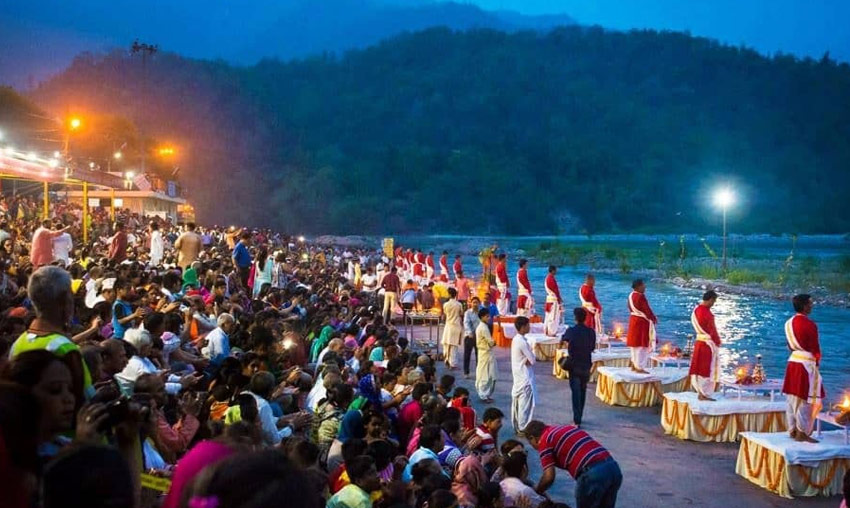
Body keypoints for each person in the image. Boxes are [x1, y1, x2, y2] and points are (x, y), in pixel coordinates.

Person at [524, 420, 622, 508]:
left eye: (531, 443)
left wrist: (536, 492)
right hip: (613, 468)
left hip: (592, 474)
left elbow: (549, 477)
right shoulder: (566, 428)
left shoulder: (545, 440)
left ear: (533, 438)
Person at [781, 293, 823, 443]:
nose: (812, 305)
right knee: (806, 399)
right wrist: (817, 362)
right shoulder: (810, 324)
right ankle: (802, 432)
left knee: (792, 397)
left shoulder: (788, 323)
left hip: (793, 362)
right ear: (805, 306)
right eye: (810, 303)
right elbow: (815, 348)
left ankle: (793, 429)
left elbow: (789, 346)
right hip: (806, 364)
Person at [560, 308, 595, 426]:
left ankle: (577, 419)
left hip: (574, 365)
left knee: (575, 392)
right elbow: (592, 347)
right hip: (586, 364)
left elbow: (563, 340)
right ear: (585, 318)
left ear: (575, 318)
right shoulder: (591, 332)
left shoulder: (571, 330)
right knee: (583, 390)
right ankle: (580, 415)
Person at [689, 290, 721, 401]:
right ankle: (705, 393)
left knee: (699, 368)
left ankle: (700, 392)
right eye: (714, 301)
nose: (713, 304)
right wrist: (717, 342)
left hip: (699, 342)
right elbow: (712, 330)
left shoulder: (696, 310)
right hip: (707, 344)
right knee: (706, 369)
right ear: (710, 299)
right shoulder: (707, 313)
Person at [510, 317, 536, 435]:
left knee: (520, 404)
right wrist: (530, 355)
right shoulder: (522, 342)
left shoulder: (516, 339)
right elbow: (532, 360)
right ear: (523, 327)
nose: (529, 327)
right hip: (524, 377)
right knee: (524, 405)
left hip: (518, 375)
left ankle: (519, 426)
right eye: (528, 325)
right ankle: (522, 427)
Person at [626, 279, 657, 374]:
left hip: (633, 320)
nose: (645, 287)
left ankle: (634, 364)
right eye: (643, 285)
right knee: (641, 344)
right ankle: (639, 367)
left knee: (634, 344)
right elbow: (646, 309)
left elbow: (629, 307)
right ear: (638, 286)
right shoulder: (640, 296)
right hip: (641, 323)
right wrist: (653, 318)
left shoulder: (631, 295)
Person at [475, 307, 497, 402]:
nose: (489, 318)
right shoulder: (483, 328)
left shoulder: (482, 326)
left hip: (485, 352)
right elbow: (490, 342)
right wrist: (494, 342)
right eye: (487, 316)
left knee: (487, 373)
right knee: (486, 374)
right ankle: (483, 395)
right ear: (482, 317)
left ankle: (485, 394)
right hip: (485, 353)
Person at [441, 288, 463, 369]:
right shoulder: (459, 304)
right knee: (454, 346)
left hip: (448, 326)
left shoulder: (445, 305)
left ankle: (446, 359)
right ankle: (453, 364)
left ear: (449, 295)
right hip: (456, 326)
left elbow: (445, 315)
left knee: (447, 344)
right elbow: (461, 314)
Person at [462, 297, 482, 378]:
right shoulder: (468, 313)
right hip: (469, 336)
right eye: (473, 302)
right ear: (471, 303)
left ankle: (479, 372)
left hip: (479, 337)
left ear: (479, 303)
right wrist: (470, 333)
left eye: (476, 302)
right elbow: (466, 323)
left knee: (479, 356)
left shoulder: (481, 312)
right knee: (467, 355)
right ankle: (466, 372)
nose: (475, 304)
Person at [543, 266, 562, 337]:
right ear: (553, 271)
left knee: (548, 316)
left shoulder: (548, 278)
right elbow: (555, 290)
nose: (556, 272)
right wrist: (559, 298)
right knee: (553, 317)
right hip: (553, 300)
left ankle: (546, 330)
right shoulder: (551, 279)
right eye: (555, 270)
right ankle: (551, 332)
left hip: (549, 299)